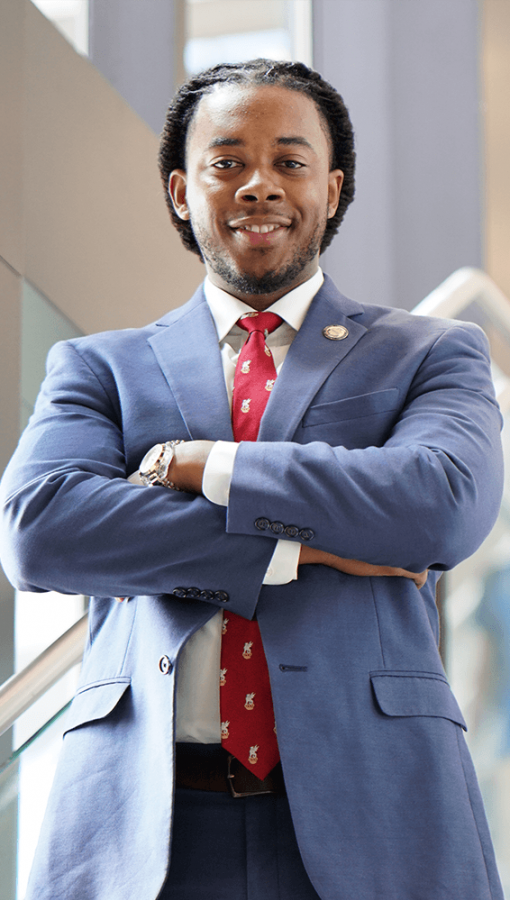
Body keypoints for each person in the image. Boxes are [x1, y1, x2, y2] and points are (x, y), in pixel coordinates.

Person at [0, 59, 505, 900]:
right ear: (179, 191)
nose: (259, 186)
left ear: (333, 189)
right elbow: (40, 529)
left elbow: (440, 506)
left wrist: (204, 466)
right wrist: (303, 549)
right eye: (227, 162)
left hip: (378, 812)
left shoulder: (430, 353)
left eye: (291, 162)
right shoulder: (99, 367)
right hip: (142, 824)